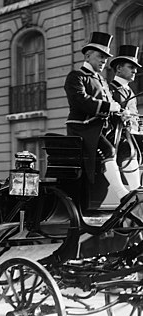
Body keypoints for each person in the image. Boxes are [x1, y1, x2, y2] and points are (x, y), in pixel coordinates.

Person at [63, 31, 140, 210]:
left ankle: (137, 191)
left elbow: (112, 105)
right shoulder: (76, 76)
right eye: (100, 57)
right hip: (83, 127)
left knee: (129, 147)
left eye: (105, 58)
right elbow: (80, 100)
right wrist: (108, 107)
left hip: (100, 128)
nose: (103, 61)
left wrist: (121, 113)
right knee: (108, 149)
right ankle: (123, 194)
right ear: (88, 55)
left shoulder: (102, 81)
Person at [109, 45, 142, 190]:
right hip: (117, 138)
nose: (135, 71)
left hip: (133, 135)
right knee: (129, 150)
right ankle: (136, 192)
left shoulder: (129, 91)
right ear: (119, 68)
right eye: (131, 67)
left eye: (135, 67)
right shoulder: (109, 89)